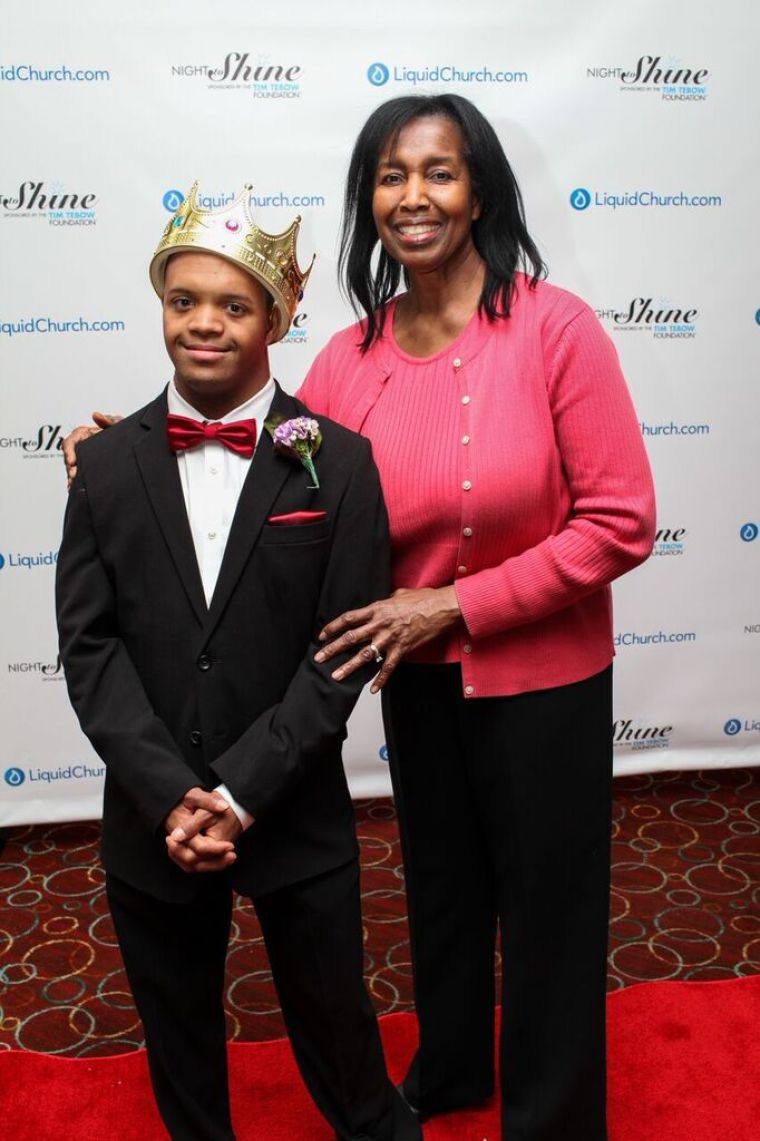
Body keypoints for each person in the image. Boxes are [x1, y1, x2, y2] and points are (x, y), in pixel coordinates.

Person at [63, 95, 656, 1141]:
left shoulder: (555, 327)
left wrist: (453, 604)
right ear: (366, 198)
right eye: (390, 174)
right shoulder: (352, 355)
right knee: (441, 897)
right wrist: (135, 452)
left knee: (551, 917)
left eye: (437, 171)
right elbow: (258, 438)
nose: (412, 195)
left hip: (544, 681)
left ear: (478, 192)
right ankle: (454, 1072)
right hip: (413, 677)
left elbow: (620, 521)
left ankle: (553, 1118)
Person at [56, 182, 421, 1141]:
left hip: (292, 808)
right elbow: (90, 649)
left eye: (232, 304)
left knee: (344, 1040)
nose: (204, 325)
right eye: (184, 302)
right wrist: (172, 795)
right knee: (179, 1044)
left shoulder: (338, 464)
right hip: (153, 818)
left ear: (278, 315)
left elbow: (341, 654)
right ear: (160, 305)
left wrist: (242, 791)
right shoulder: (101, 466)